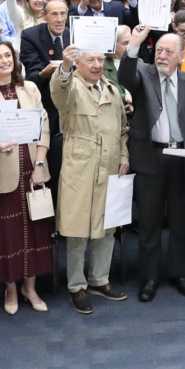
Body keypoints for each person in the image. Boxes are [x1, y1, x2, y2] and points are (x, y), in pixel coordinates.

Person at [119, 29, 185, 300]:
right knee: (149, 222)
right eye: (158, 51)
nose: (162, 56)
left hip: (183, 158)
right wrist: (134, 45)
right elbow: (125, 78)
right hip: (150, 157)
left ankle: (180, 273)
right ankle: (150, 277)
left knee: (180, 221)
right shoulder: (143, 73)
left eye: (168, 51)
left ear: (181, 56)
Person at [0, 40, 54, 315]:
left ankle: (30, 288)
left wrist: (40, 163)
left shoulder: (30, 88)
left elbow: (44, 127)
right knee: (6, 234)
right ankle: (10, 289)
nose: (5, 60)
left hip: (32, 168)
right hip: (1, 173)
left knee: (35, 231)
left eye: (8, 55)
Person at [50, 47, 132, 312]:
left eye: (100, 59)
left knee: (107, 226)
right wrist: (64, 66)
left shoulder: (111, 88)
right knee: (78, 229)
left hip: (110, 163)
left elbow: (122, 128)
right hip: (81, 165)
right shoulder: (71, 86)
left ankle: (99, 279)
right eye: (90, 60)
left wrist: (124, 155)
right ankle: (76, 285)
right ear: (78, 63)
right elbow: (59, 93)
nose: (97, 65)